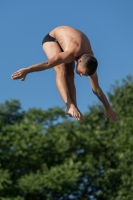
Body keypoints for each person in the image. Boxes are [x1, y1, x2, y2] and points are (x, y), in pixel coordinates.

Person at [11, 26, 118, 122]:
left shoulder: (89, 61)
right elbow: (48, 64)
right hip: (53, 39)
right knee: (61, 68)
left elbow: (96, 88)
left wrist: (107, 107)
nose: (81, 75)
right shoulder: (71, 53)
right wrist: (27, 70)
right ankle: (69, 106)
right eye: (82, 72)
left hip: (70, 43)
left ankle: (74, 107)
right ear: (79, 61)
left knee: (71, 74)